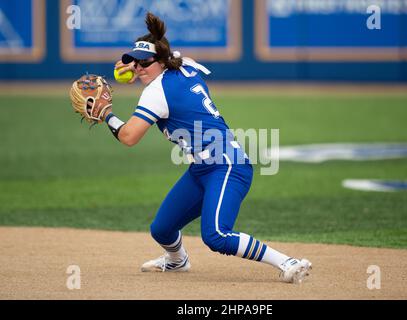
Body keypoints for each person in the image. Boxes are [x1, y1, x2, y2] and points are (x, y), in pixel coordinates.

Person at [104, 12, 312, 283]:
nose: (138, 67)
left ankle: (287, 261)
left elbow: (129, 136)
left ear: (161, 61)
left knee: (216, 235)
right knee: (162, 229)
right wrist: (136, 66)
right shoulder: (184, 65)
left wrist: (106, 115)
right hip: (201, 168)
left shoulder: (156, 92)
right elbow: (173, 60)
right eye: (134, 61)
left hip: (227, 165)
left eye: (145, 62)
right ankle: (177, 261)